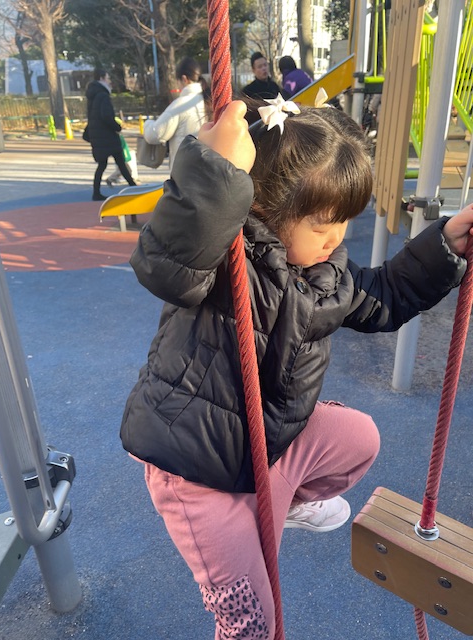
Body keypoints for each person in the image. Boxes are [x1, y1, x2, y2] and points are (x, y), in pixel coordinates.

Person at [120, 97, 473, 638]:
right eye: (323, 222)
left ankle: (283, 500)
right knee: (252, 620)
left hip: (265, 442)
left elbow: (385, 295)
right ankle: (252, 530)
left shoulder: (324, 272)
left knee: (358, 438)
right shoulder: (224, 258)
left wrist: (445, 246)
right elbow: (167, 266)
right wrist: (213, 173)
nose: (337, 238)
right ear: (265, 204)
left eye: (346, 220)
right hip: (196, 469)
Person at [143, 57, 207, 170]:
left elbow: (155, 135)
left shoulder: (180, 105)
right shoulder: (208, 101)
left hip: (185, 170)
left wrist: (148, 124)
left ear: (184, 79)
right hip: (207, 167)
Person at [85, 69, 136, 201]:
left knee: (102, 165)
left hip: (98, 135)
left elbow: (93, 116)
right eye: (107, 78)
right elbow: (106, 116)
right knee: (121, 162)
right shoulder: (103, 95)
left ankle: (96, 192)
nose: (109, 81)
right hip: (108, 136)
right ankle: (134, 187)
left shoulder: (93, 94)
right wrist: (117, 127)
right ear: (102, 78)